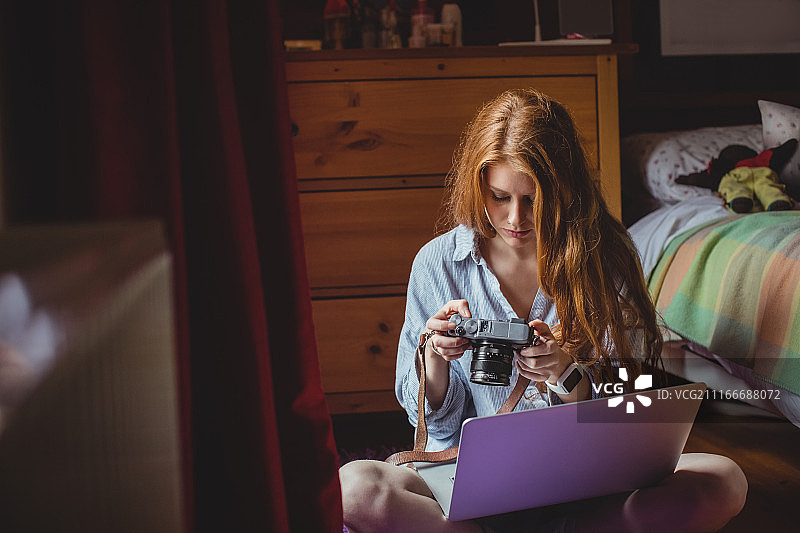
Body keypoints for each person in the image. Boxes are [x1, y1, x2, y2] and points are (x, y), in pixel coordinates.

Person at [339, 89, 747, 532]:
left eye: (533, 199)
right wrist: (434, 359)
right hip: (470, 494)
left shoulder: (604, 258)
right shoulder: (438, 263)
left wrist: (566, 374)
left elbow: (631, 405)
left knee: (724, 479)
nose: (515, 218)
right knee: (355, 487)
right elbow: (438, 428)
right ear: (478, 188)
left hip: (587, 484)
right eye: (499, 197)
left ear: (565, 188)